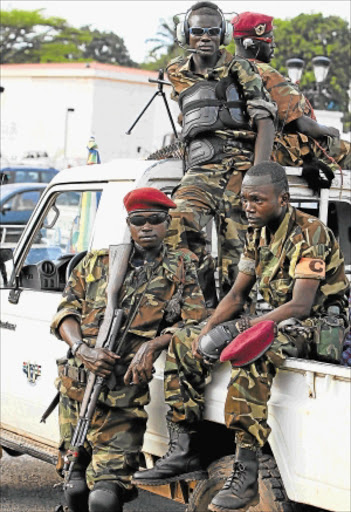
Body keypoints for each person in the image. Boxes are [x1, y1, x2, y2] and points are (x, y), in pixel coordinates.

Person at [132, 162, 349, 512]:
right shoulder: (257, 232)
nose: (247, 207)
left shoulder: (311, 234)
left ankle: (246, 474)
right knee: (184, 342)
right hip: (270, 318)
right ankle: (184, 447)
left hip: (312, 326)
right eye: (245, 199)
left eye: (257, 200)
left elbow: (300, 305)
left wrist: (243, 328)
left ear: (283, 198)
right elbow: (235, 296)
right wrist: (204, 332)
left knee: (252, 354)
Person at [50, 187, 207, 512]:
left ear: (167, 222)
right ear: (128, 222)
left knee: (104, 497)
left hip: (122, 400)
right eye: (138, 220)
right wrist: (82, 349)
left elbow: (196, 323)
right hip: (75, 391)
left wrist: (154, 344)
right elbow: (65, 312)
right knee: (75, 486)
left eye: (155, 220)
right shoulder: (97, 262)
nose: (147, 227)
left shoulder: (180, 270)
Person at [165, 1, 277, 301]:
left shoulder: (240, 67)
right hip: (200, 171)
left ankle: (232, 323)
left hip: (238, 170)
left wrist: (258, 176)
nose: (205, 38)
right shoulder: (175, 72)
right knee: (175, 226)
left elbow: (265, 120)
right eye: (198, 31)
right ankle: (205, 304)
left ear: (223, 34)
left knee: (238, 264)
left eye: (213, 32)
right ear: (185, 34)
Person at [231, 11, 351, 190]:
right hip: (278, 149)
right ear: (251, 43)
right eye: (269, 40)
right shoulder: (264, 72)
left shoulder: (225, 70)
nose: (274, 46)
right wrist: (329, 130)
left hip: (245, 147)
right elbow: (300, 124)